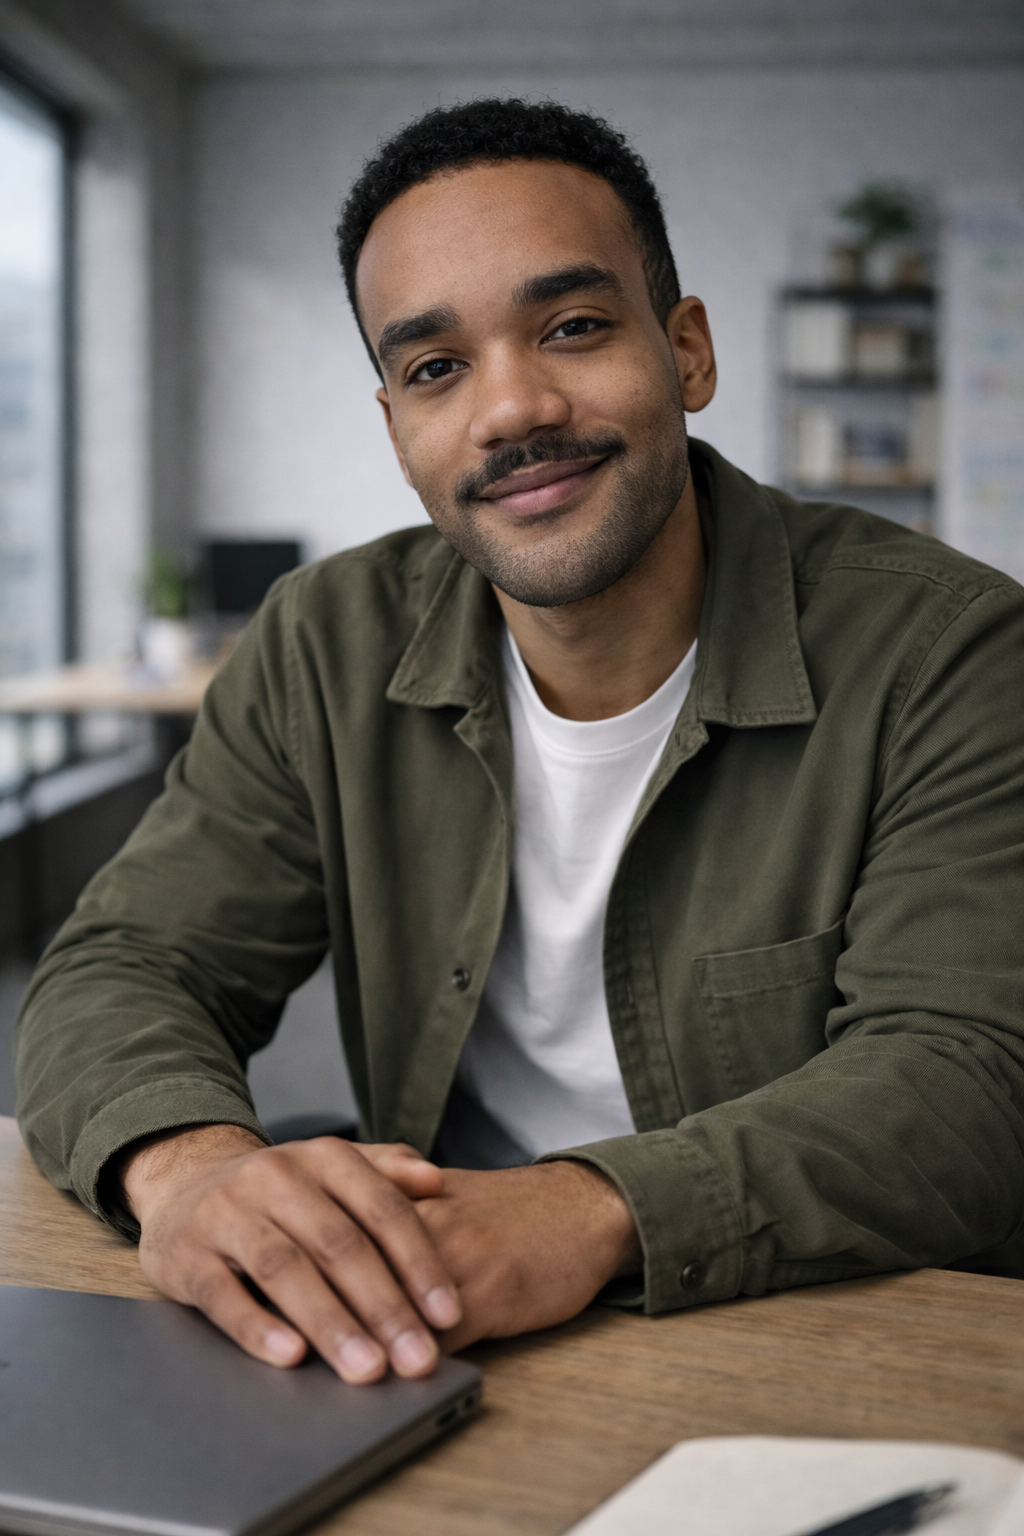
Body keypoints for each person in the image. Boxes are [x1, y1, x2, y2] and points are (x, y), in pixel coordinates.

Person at [16, 99, 1024, 1389]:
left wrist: (580, 1211)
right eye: (436, 368)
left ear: (689, 351)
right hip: (444, 1328)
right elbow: (129, 961)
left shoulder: (951, 648)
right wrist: (191, 1169)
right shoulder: (326, 639)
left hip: (812, 1331)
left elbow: (964, 1081)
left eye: (572, 327)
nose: (511, 408)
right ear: (397, 430)